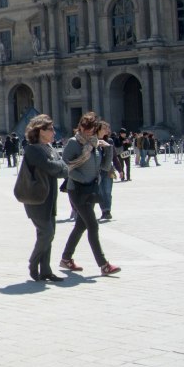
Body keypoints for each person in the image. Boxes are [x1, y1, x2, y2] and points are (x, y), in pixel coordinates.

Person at [60, 112, 121, 277]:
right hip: (77, 190)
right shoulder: (74, 143)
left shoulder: (95, 143)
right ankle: (104, 265)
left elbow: (105, 168)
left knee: (81, 225)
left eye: (91, 128)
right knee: (92, 225)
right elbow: (66, 166)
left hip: (91, 189)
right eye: (85, 127)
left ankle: (66, 258)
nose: (87, 131)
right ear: (80, 126)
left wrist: (109, 148)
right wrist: (82, 180)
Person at [21, 115, 70, 282]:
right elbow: (52, 167)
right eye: (50, 129)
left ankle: (46, 270)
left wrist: (60, 166)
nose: (54, 132)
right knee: (47, 233)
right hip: (36, 198)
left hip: (49, 197)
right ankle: (33, 262)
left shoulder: (49, 148)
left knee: (49, 233)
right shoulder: (33, 149)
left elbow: (62, 167)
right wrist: (60, 166)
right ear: (40, 131)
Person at [96, 123, 116, 222]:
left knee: (108, 191)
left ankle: (107, 211)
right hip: (97, 170)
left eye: (107, 128)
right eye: (105, 128)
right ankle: (104, 210)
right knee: (100, 192)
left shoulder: (109, 140)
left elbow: (114, 156)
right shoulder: (94, 141)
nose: (107, 130)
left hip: (108, 169)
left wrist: (120, 170)